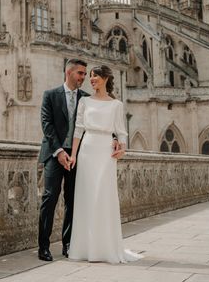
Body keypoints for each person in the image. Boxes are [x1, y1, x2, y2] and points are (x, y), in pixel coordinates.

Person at [68, 65, 142, 264]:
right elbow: (78, 130)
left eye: (95, 77)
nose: (92, 80)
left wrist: (122, 147)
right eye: (90, 77)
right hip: (87, 150)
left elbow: (121, 131)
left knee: (103, 197)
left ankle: (104, 248)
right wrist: (73, 155)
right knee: (86, 198)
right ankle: (84, 248)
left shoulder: (116, 104)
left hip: (105, 152)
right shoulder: (84, 101)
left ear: (106, 78)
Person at [37, 59, 89, 262]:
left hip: (77, 155)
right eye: (80, 73)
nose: (83, 77)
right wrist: (59, 152)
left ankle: (68, 243)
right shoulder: (50, 95)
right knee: (49, 198)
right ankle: (43, 246)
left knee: (72, 200)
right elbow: (46, 124)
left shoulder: (86, 98)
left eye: (85, 74)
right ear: (69, 72)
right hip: (54, 154)